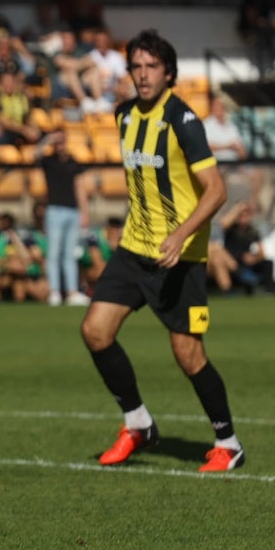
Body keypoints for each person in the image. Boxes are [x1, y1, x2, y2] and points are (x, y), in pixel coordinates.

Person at [79, 30, 244, 473]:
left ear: (168, 72)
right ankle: (138, 424)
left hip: (180, 257)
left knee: (188, 355)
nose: (143, 74)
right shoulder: (124, 115)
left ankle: (228, 443)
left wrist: (181, 234)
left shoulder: (183, 121)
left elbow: (217, 190)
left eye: (152, 66)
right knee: (95, 331)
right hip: (133, 250)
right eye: (136, 66)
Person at [34, 130, 91, 306]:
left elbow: (79, 188)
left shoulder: (73, 163)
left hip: (72, 211)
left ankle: (72, 291)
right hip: (55, 210)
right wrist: (48, 139)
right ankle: (55, 291)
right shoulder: (49, 161)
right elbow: (34, 154)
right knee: (54, 253)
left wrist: (84, 212)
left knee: (69, 254)